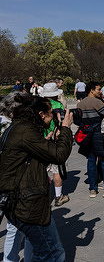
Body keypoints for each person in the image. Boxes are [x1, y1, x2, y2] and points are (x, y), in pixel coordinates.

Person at [0, 93, 73, 261]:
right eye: (51, 112)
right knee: (53, 253)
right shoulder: (25, 131)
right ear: (40, 114)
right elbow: (59, 154)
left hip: (22, 200)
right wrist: (66, 128)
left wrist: (46, 141)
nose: (54, 116)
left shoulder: (20, 127)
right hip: (27, 203)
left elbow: (27, 156)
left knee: (42, 251)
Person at [0, 91, 34, 262]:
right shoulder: (13, 129)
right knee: (22, 227)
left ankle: (10, 259)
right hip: (13, 184)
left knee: (14, 227)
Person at [77, 81, 104, 198]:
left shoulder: (80, 104)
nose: (100, 91)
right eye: (98, 89)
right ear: (91, 90)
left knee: (91, 161)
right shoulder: (96, 102)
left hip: (86, 135)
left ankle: (93, 189)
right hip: (98, 134)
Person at [41, 82, 70, 207]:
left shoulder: (38, 106)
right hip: (55, 140)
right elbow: (63, 121)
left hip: (41, 139)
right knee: (56, 170)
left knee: (42, 170)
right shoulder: (58, 105)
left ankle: (44, 197)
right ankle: (58, 197)